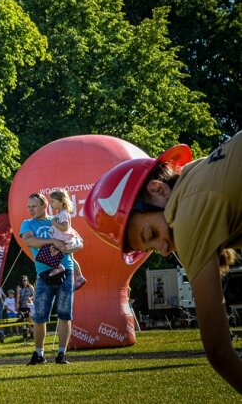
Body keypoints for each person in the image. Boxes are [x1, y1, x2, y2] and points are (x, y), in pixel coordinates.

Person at [84, 135, 242, 394]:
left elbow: (218, 351)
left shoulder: (187, 216)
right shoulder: (196, 173)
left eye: (152, 235)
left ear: (158, 189)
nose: (165, 250)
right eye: (151, 248)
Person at [20, 193, 74, 365]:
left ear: (45, 206)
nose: (30, 210)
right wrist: (53, 241)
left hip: (65, 269)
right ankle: (39, 353)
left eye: (34, 206)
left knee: (65, 315)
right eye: (28, 206)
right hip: (43, 274)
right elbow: (29, 241)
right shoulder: (27, 223)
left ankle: (61, 354)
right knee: (40, 316)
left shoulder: (58, 220)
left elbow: (73, 238)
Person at [41, 190, 87, 290]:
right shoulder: (59, 213)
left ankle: (59, 267)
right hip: (64, 239)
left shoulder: (64, 214)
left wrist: (54, 223)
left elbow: (65, 228)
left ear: (61, 201)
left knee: (50, 252)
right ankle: (80, 277)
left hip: (63, 240)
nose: (51, 203)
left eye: (53, 201)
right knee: (71, 259)